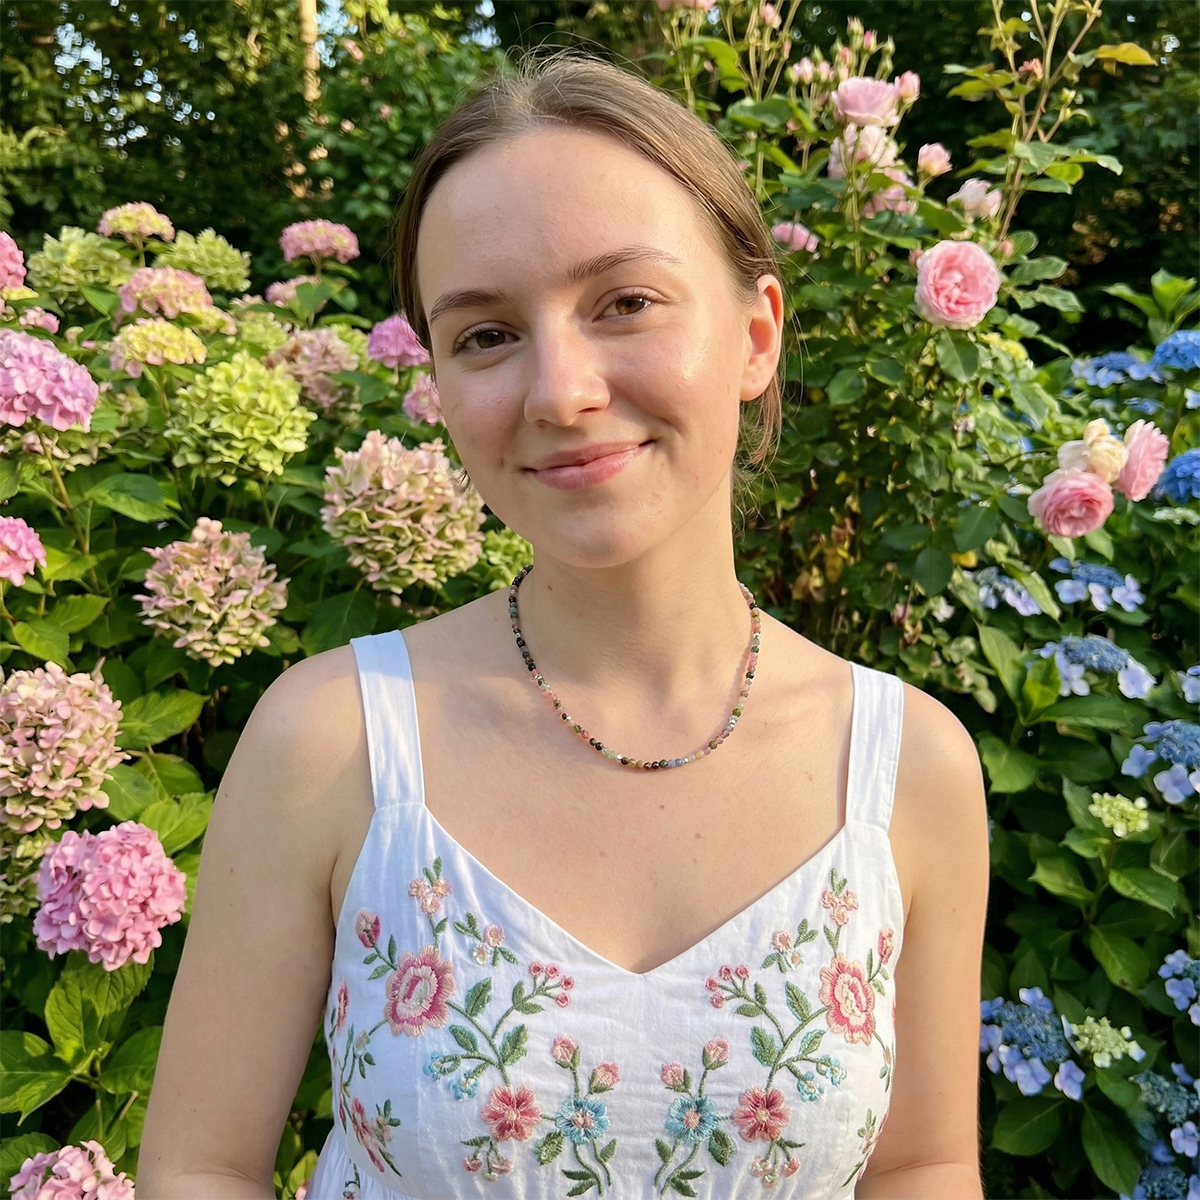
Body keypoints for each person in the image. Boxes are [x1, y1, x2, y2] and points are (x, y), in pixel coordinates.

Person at [139, 53, 988, 1200]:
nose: (561, 391)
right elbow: (204, 1169)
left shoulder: (903, 768)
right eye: (485, 334)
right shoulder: (336, 743)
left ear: (756, 334)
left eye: (624, 303)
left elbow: (923, 1167)